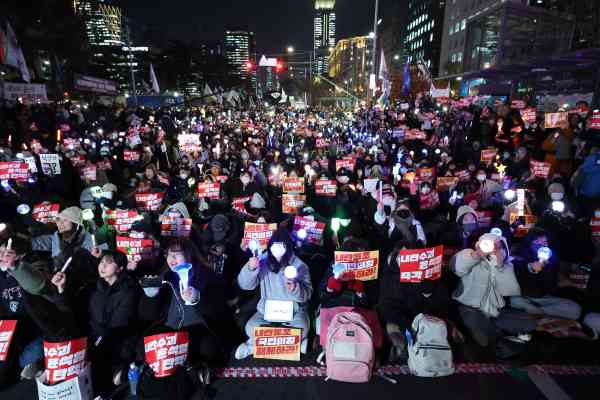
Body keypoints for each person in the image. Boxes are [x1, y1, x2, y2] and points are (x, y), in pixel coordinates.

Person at [51, 250, 139, 396]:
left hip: (115, 341)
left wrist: (91, 347)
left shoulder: (128, 291)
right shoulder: (94, 286)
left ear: (120, 268)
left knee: (97, 375)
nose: (103, 266)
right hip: (92, 337)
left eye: (109, 263)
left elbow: (117, 326)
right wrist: (61, 289)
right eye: (102, 262)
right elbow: (72, 310)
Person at [139, 239, 226, 367]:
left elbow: (217, 309)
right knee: (144, 345)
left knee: (206, 349)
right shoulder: (165, 278)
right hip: (171, 329)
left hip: (199, 328)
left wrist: (197, 297)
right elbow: (147, 315)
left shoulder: (206, 276)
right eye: (169, 254)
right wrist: (151, 296)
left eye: (176, 254)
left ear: (189, 254)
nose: (171, 258)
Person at [451, 233, 536, 358]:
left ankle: (498, 334)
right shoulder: (471, 256)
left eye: (499, 246)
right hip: (468, 308)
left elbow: (508, 290)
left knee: (530, 324)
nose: (495, 249)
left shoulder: (507, 266)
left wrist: (500, 266)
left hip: (494, 311)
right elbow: (457, 268)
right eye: (491, 245)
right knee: (484, 340)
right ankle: (499, 337)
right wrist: (477, 255)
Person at [235, 229, 312, 359]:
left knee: (302, 327)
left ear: (288, 247)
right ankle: (296, 346)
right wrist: (250, 268)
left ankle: (252, 347)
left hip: (293, 312)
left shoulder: (300, 265)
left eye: (281, 246)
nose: (277, 252)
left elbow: (307, 294)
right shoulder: (262, 261)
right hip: (266, 313)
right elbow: (245, 285)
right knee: (250, 328)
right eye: (274, 247)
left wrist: (295, 289)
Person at [511, 229, 581, 321]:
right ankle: (533, 312)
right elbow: (522, 270)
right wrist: (532, 268)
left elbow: (550, 287)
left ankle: (536, 312)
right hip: (524, 297)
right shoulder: (519, 258)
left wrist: (549, 271)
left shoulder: (551, 259)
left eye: (545, 242)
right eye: (537, 241)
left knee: (575, 309)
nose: (542, 245)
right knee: (515, 301)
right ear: (529, 242)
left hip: (543, 300)